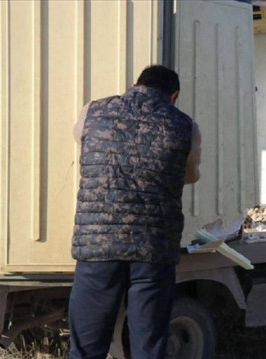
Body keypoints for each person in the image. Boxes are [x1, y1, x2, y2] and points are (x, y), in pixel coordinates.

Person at [68, 65, 201, 359]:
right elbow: (190, 173)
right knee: (148, 346)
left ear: (133, 84)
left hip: (98, 245)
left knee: (86, 348)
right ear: (173, 96)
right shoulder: (185, 126)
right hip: (152, 249)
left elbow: (82, 142)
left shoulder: (92, 111)